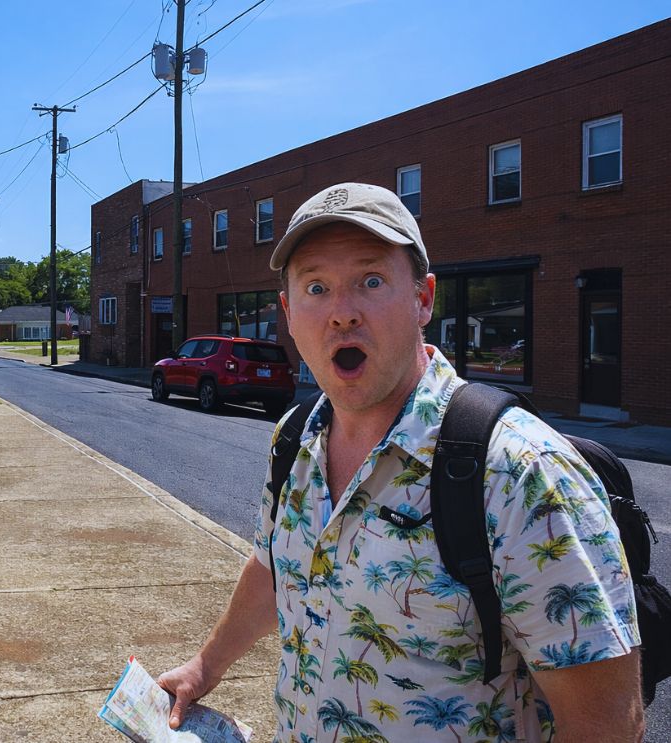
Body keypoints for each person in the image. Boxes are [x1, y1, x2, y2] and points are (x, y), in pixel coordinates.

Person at [157, 183, 643, 741]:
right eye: (316, 287)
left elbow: (607, 726)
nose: (342, 314)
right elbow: (276, 568)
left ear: (424, 298)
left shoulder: (521, 471)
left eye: (371, 281)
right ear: (288, 312)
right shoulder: (296, 438)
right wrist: (205, 666)